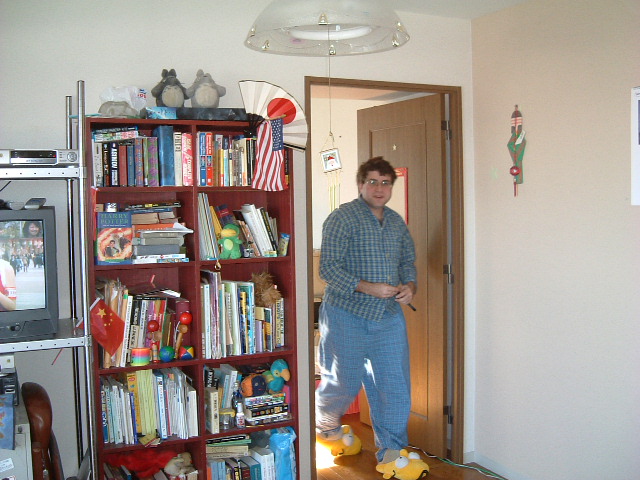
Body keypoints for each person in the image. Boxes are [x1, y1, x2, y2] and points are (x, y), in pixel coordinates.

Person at [315, 156, 429, 478]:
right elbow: (328, 269)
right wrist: (367, 287)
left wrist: (409, 287)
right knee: (344, 382)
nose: (380, 188)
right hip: (345, 314)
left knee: (394, 385)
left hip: (388, 317)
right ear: (360, 184)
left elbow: (407, 262)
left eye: (386, 183)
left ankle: (391, 452)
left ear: (392, 186)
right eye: (373, 181)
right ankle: (325, 427)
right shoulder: (341, 218)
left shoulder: (396, 223)